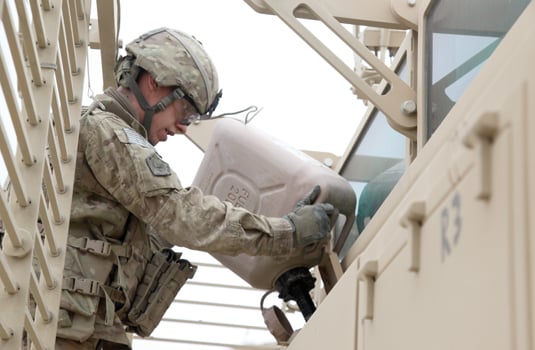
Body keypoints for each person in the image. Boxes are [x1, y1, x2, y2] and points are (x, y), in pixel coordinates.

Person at [56, 27, 334, 349]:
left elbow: (151, 228)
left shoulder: (98, 129)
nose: (182, 127)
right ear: (154, 82)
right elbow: (179, 215)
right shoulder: (109, 132)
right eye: (185, 110)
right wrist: (285, 232)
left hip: (77, 325)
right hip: (63, 329)